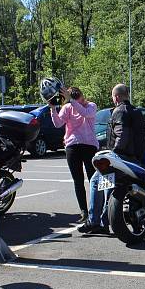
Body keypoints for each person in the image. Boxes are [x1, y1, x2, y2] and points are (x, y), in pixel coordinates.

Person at [78, 83, 145, 235]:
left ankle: (95, 221)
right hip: (135, 158)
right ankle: (103, 221)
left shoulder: (120, 111)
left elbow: (122, 136)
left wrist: (113, 153)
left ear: (116, 97)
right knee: (108, 185)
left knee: (96, 181)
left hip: (122, 157)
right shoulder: (136, 111)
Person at [50, 85, 99, 224]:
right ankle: (83, 211)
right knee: (78, 180)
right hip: (72, 146)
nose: (80, 100)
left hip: (89, 145)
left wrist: (72, 101)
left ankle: (95, 210)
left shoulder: (91, 106)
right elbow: (58, 124)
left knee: (93, 179)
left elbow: (85, 113)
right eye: (76, 99)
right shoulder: (67, 107)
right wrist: (53, 109)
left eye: (80, 98)